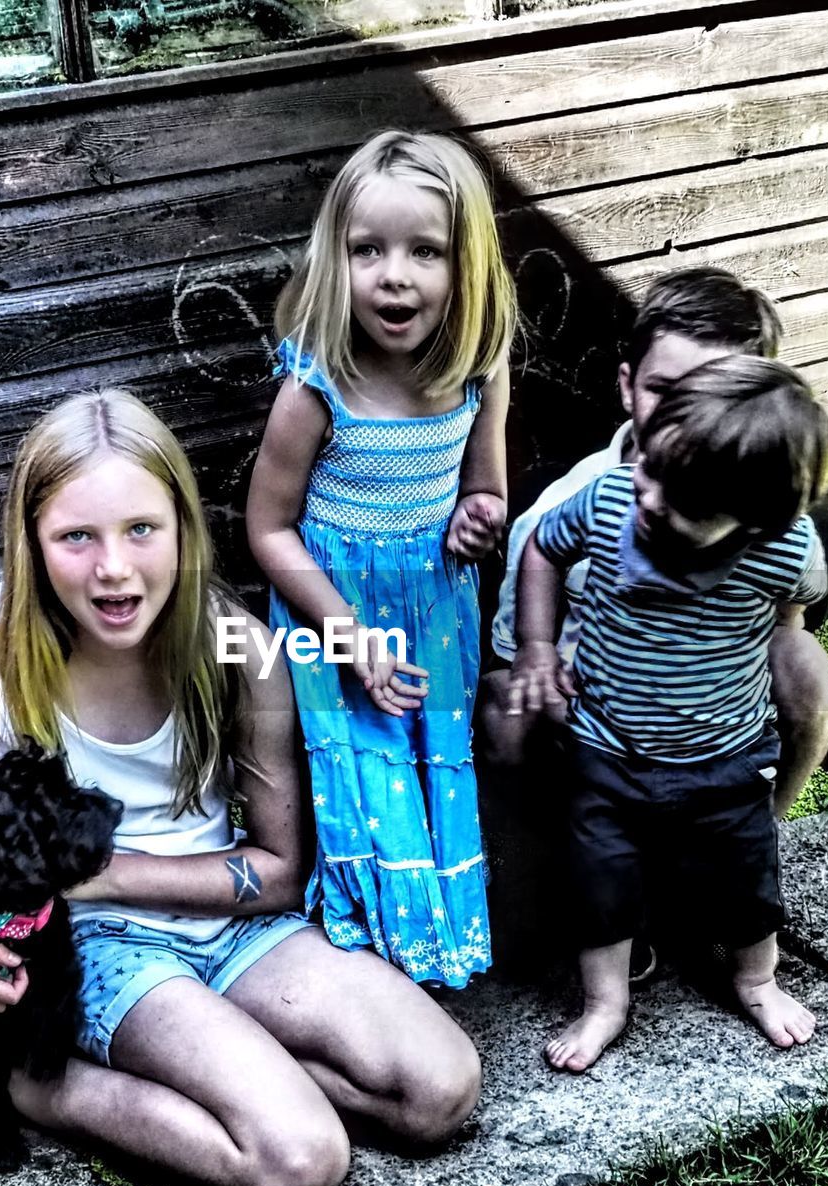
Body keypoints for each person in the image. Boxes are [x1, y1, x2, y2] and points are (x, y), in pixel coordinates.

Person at [0, 390, 481, 1186]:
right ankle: (38, 1086)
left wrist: (100, 872)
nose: (114, 569)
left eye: (140, 529)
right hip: (88, 948)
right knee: (300, 1162)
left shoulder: (237, 648)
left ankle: (232, 1058)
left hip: (230, 925)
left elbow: (275, 873)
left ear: (181, 526)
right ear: (32, 543)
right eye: (75, 538)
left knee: (441, 1089)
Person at [509, 356, 828, 1072]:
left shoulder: (783, 550)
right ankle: (604, 1004)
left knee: (748, 879)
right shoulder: (607, 500)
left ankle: (755, 980)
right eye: (649, 467)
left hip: (725, 754)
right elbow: (540, 547)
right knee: (600, 884)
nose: (648, 498)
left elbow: (788, 619)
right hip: (604, 746)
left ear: (752, 519)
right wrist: (536, 648)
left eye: (679, 499)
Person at [247, 130, 517, 987]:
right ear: (338, 259)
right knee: (363, 783)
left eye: (424, 252)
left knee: (430, 767)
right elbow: (268, 530)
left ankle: (430, 943)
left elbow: (485, 492)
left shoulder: (479, 369)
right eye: (368, 249)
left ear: (465, 265)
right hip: (332, 610)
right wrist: (349, 638)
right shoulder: (315, 387)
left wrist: (480, 520)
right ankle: (373, 964)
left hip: (435, 608)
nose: (392, 274)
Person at [482, 268, 828, 820]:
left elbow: (785, 622)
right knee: (504, 706)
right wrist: (551, 675)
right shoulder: (566, 509)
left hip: (716, 713)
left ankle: (765, 823)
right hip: (597, 714)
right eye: (666, 393)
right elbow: (518, 653)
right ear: (627, 386)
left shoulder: (769, 513)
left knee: (806, 661)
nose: (684, 422)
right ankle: (543, 847)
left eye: (712, 397)